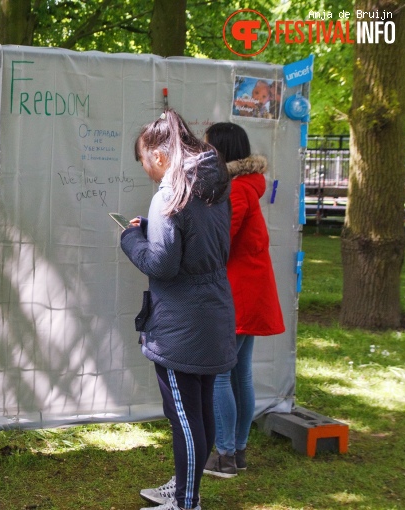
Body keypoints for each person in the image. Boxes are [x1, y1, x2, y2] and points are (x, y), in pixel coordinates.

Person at [120, 109, 237, 510]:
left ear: (159, 154)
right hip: (213, 309)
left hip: (181, 320)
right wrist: (149, 232)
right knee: (198, 411)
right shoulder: (215, 188)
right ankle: (185, 486)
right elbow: (200, 247)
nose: (145, 169)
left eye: (143, 160)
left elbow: (162, 265)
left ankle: (187, 501)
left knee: (184, 418)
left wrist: (130, 238)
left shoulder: (170, 193)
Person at [202, 122, 285, 477]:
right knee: (240, 374)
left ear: (219, 151)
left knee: (222, 373)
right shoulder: (248, 185)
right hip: (250, 289)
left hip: (237, 291)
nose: (202, 153)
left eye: (206, 148)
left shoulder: (235, 190)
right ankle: (236, 451)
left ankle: (223, 455)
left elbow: (221, 241)